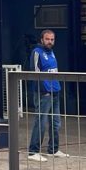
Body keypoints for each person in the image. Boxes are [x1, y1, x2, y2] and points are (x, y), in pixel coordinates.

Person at [28, 29, 68, 161]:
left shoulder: (52, 52)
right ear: (42, 40)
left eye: (52, 39)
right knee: (41, 121)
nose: (50, 42)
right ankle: (33, 151)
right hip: (44, 93)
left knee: (56, 123)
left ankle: (53, 149)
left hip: (55, 91)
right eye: (47, 39)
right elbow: (35, 72)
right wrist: (43, 90)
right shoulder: (37, 52)